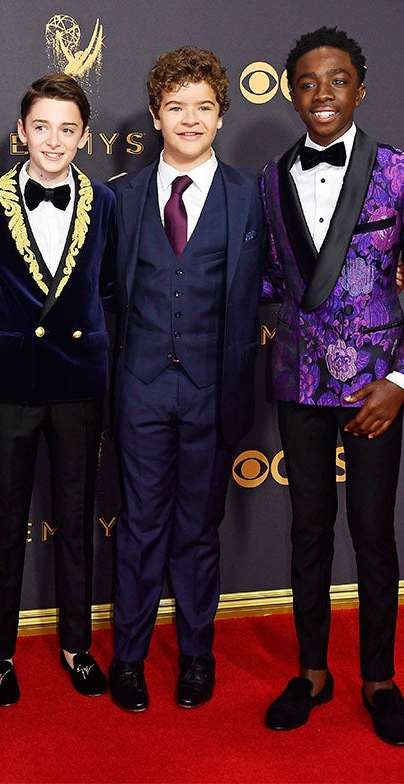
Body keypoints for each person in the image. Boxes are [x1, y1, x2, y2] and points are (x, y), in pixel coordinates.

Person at [108, 46, 264, 712]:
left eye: (203, 107)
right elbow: (101, 294)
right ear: (155, 115)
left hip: (214, 388)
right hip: (140, 386)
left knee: (199, 529)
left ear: (222, 115)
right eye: (176, 107)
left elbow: (283, 277)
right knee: (140, 525)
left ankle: (197, 654)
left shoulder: (251, 196)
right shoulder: (122, 197)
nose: (190, 119)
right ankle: (129, 656)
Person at [261, 26, 404, 745]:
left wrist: (401, 379)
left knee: (373, 534)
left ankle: (379, 678)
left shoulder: (399, 171)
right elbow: (268, 278)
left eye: (338, 80)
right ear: (292, 94)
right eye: (308, 82)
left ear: (361, 89)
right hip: (297, 382)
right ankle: (312, 672)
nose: (323, 94)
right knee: (308, 530)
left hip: (376, 390)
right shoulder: (270, 178)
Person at [0, 73, 115, 706]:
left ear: (84, 137)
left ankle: (76, 646)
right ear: (21, 131)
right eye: (41, 127)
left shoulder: (106, 203)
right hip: (11, 383)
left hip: (79, 383)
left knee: (76, 520)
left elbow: (110, 291)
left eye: (67, 129)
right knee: (4, 523)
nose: (53, 140)